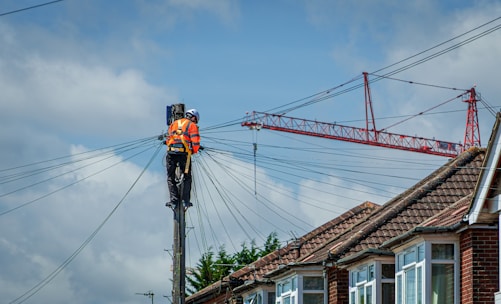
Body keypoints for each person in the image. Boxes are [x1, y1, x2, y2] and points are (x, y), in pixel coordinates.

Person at [165, 109, 201, 208]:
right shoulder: (192, 125)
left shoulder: (174, 123)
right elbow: (195, 142)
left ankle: (174, 201)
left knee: (170, 177)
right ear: (193, 117)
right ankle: (185, 201)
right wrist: (193, 151)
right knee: (187, 177)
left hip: (171, 152)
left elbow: (168, 139)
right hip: (183, 153)